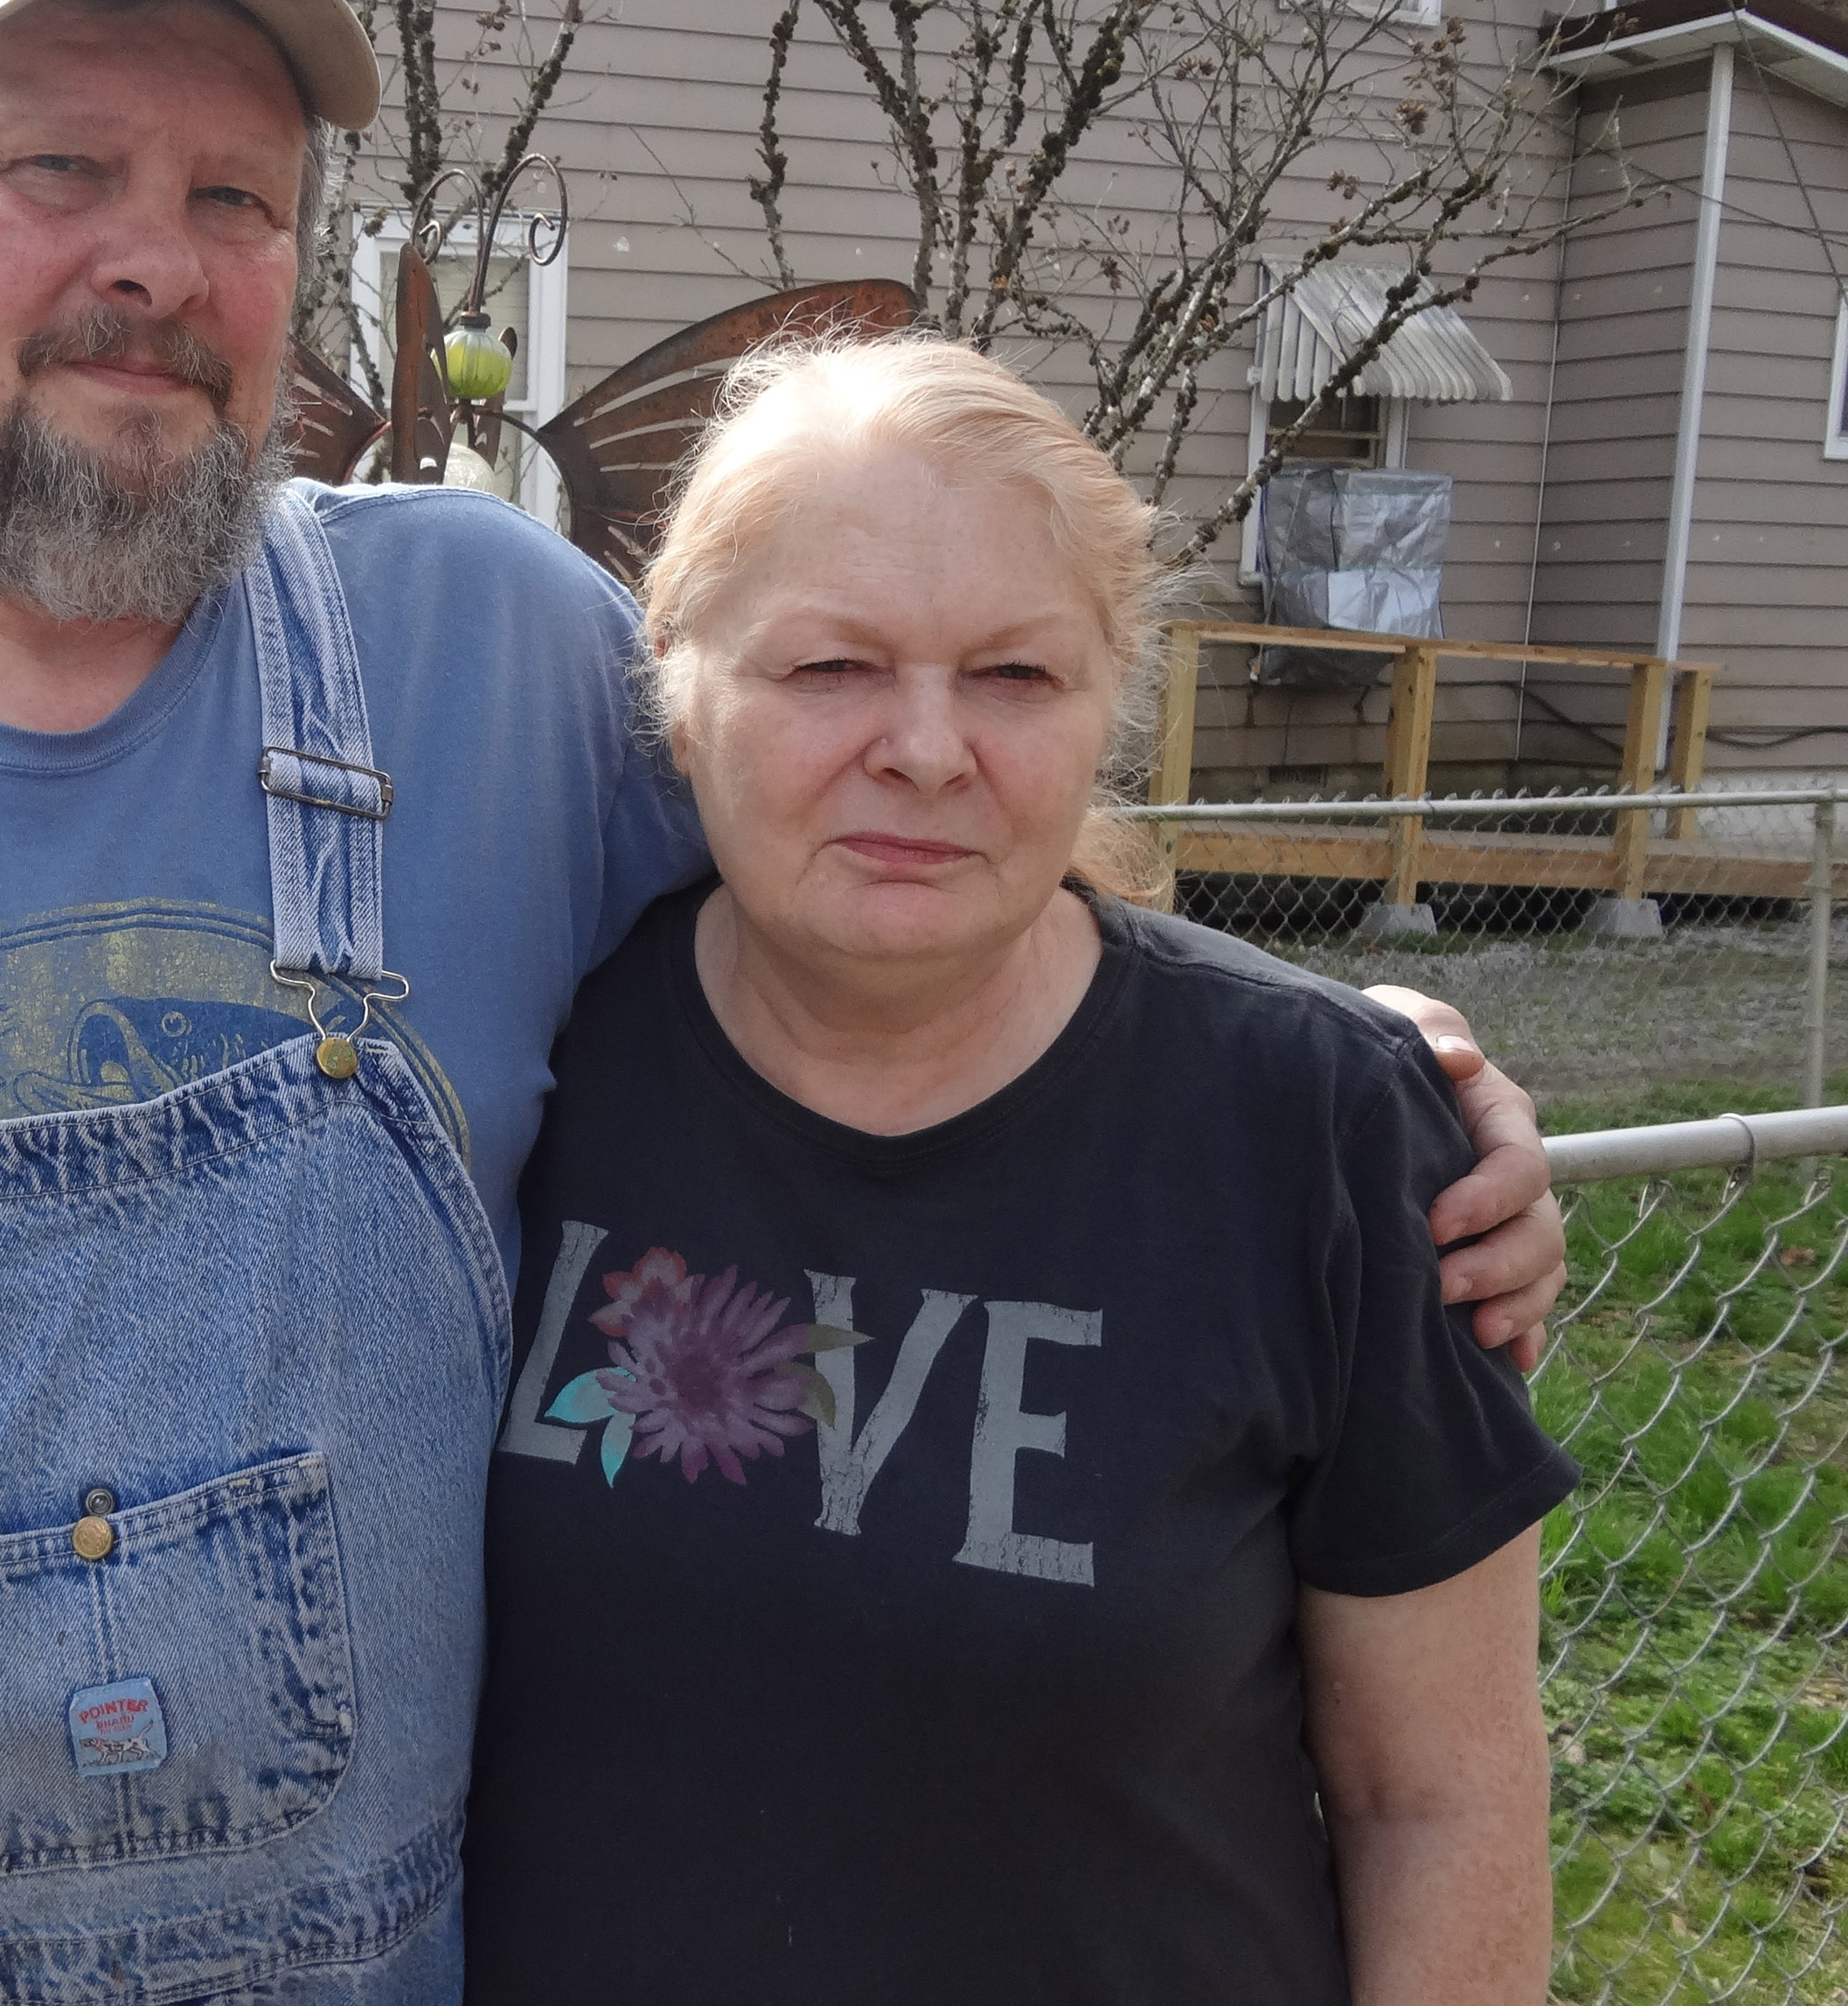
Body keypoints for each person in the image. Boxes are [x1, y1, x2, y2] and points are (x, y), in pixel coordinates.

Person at [0, 0, 1567, 2006]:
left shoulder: (489, 654)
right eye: (62, 169)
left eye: (236, 197)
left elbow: (899, 881)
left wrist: (1340, 1081)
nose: (158, 259)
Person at [463, 339, 1575, 2004]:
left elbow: (1447, 1800)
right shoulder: (511, 1066)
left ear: (1110, 701)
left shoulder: (1323, 1132)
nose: (924, 748)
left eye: (1014, 676)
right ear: (675, 691)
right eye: (831, 667)